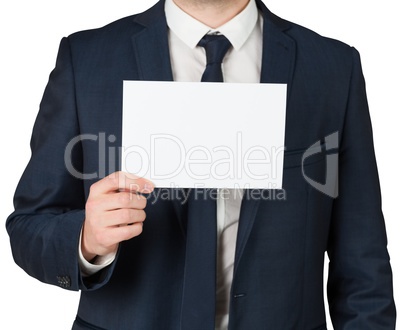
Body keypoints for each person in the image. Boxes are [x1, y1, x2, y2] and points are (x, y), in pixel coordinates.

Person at [6, 0, 396, 329]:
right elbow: (29, 226)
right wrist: (87, 240)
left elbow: (362, 260)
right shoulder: (87, 59)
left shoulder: (331, 68)